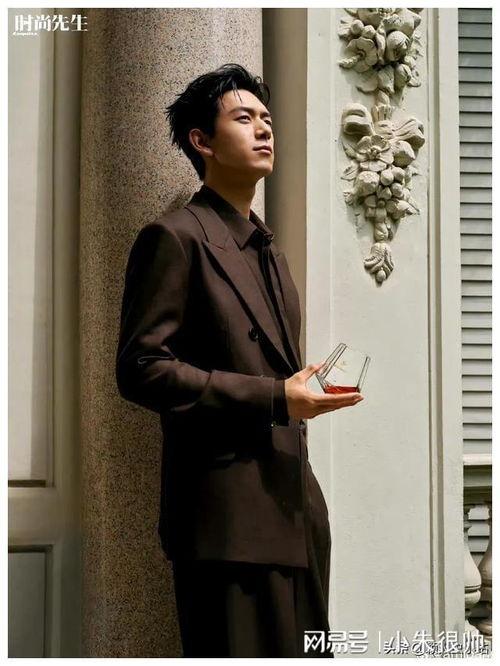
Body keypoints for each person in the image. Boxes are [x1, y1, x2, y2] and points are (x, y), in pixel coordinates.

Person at [115, 63, 364, 658]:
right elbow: (141, 368)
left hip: (294, 510)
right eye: (244, 118)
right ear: (202, 141)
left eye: (267, 119)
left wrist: (300, 390)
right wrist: (276, 397)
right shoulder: (174, 237)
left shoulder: (267, 248)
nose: (264, 130)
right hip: (226, 519)